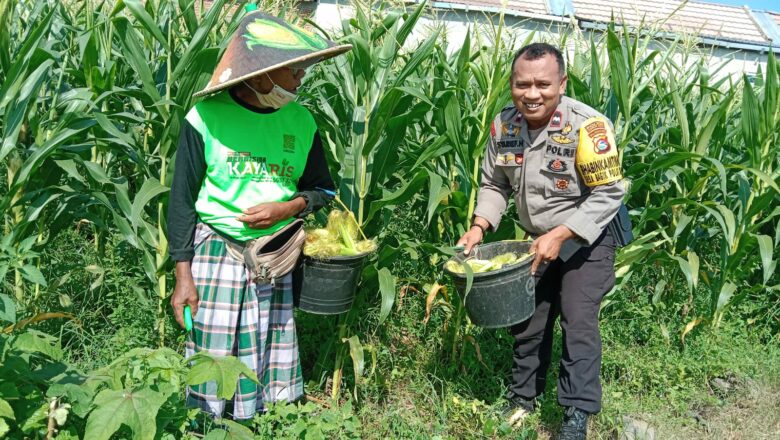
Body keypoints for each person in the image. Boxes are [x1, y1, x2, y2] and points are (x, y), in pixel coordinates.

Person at [167, 7, 351, 420]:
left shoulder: (302, 122)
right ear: (264, 73)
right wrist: (183, 275)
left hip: (274, 256)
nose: (300, 79)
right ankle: (205, 423)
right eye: (294, 71)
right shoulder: (207, 119)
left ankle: (254, 421)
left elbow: (322, 189)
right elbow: (181, 200)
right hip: (217, 251)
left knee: (263, 342)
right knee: (212, 353)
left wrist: (287, 207)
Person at [456, 42, 625, 439]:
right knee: (529, 320)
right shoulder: (504, 126)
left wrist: (564, 233)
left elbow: (609, 192)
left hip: (589, 237)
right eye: (522, 84)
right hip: (537, 239)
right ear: (512, 84)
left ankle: (576, 414)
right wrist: (480, 226)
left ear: (562, 83)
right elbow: (494, 183)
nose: (532, 94)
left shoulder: (589, 126)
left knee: (577, 319)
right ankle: (522, 399)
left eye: (543, 85)